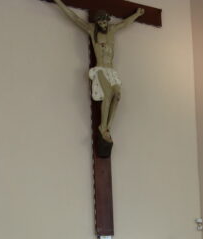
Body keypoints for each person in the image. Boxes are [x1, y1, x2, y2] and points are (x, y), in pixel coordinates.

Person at [50, 0, 145, 143]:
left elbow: (125, 23)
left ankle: (107, 127)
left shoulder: (112, 29)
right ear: (97, 22)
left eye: (105, 22)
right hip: (100, 68)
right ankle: (102, 128)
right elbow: (74, 17)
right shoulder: (91, 29)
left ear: (107, 20)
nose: (103, 25)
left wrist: (137, 14)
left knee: (117, 96)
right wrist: (59, 2)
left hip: (111, 70)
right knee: (107, 94)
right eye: (100, 23)